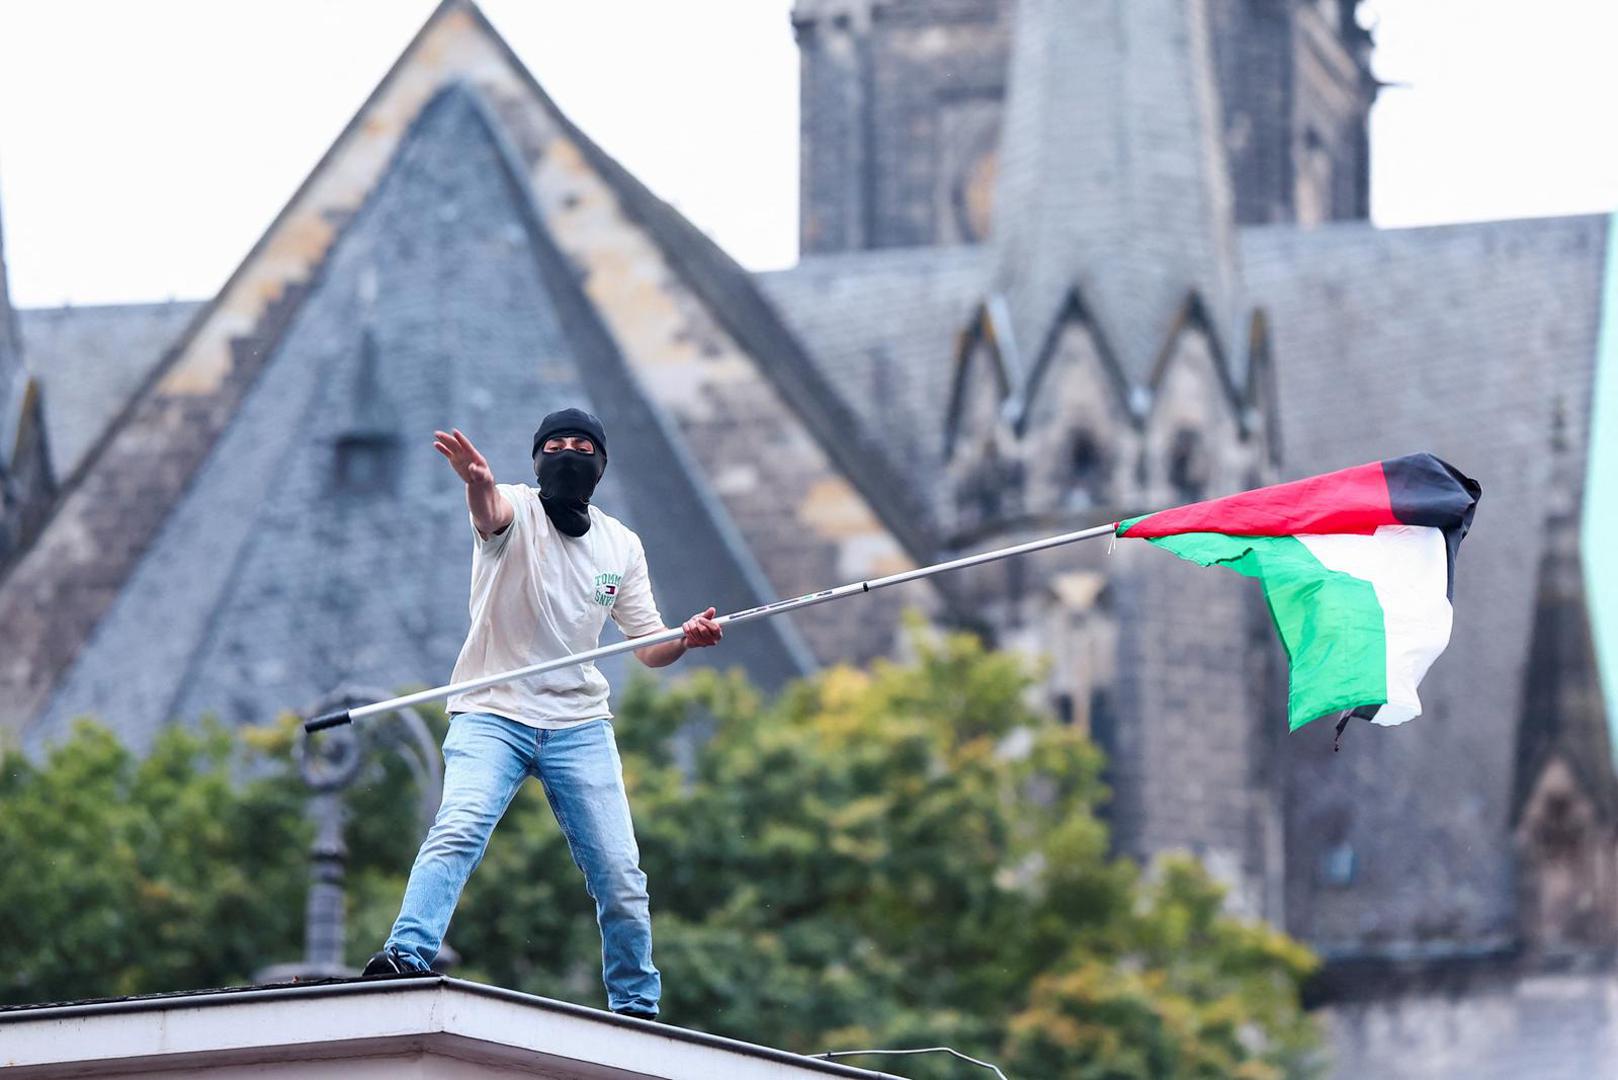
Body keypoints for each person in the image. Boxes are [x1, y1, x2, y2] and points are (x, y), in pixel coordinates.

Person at [362, 407, 721, 1022]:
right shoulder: (516, 508)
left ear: (599, 464)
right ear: (536, 460)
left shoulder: (621, 544)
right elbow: (490, 514)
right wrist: (477, 483)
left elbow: (649, 646)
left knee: (620, 872)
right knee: (459, 827)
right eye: (555, 446)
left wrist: (685, 640)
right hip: (492, 711)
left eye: (581, 446)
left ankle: (637, 1005)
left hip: (579, 723)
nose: (568, 454)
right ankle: (406, 954)